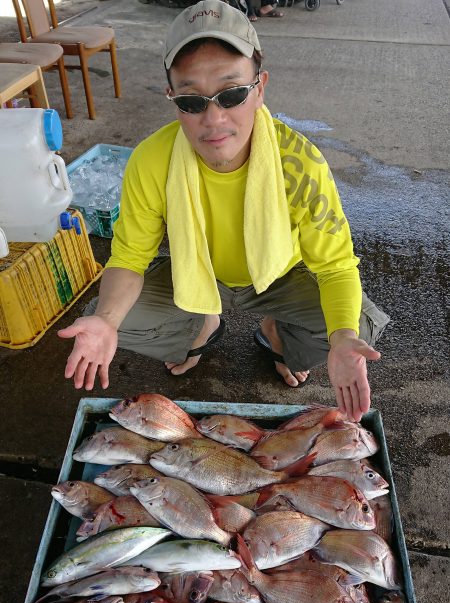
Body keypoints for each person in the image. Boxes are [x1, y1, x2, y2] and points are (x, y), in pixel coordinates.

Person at [58, 0, 390, 422]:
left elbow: (337, 267)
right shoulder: (150, 159)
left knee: (357, 325)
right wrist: (107, 319)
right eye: (192, 101)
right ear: (171, 97)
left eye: (232, 94)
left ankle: (276, 332)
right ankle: (202, 327)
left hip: (278, 277)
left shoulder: (301, 163)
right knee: (105, 321)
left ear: (260, 87)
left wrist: (341, 336)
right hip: (195, 272)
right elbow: (128, 258)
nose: (213, 118)